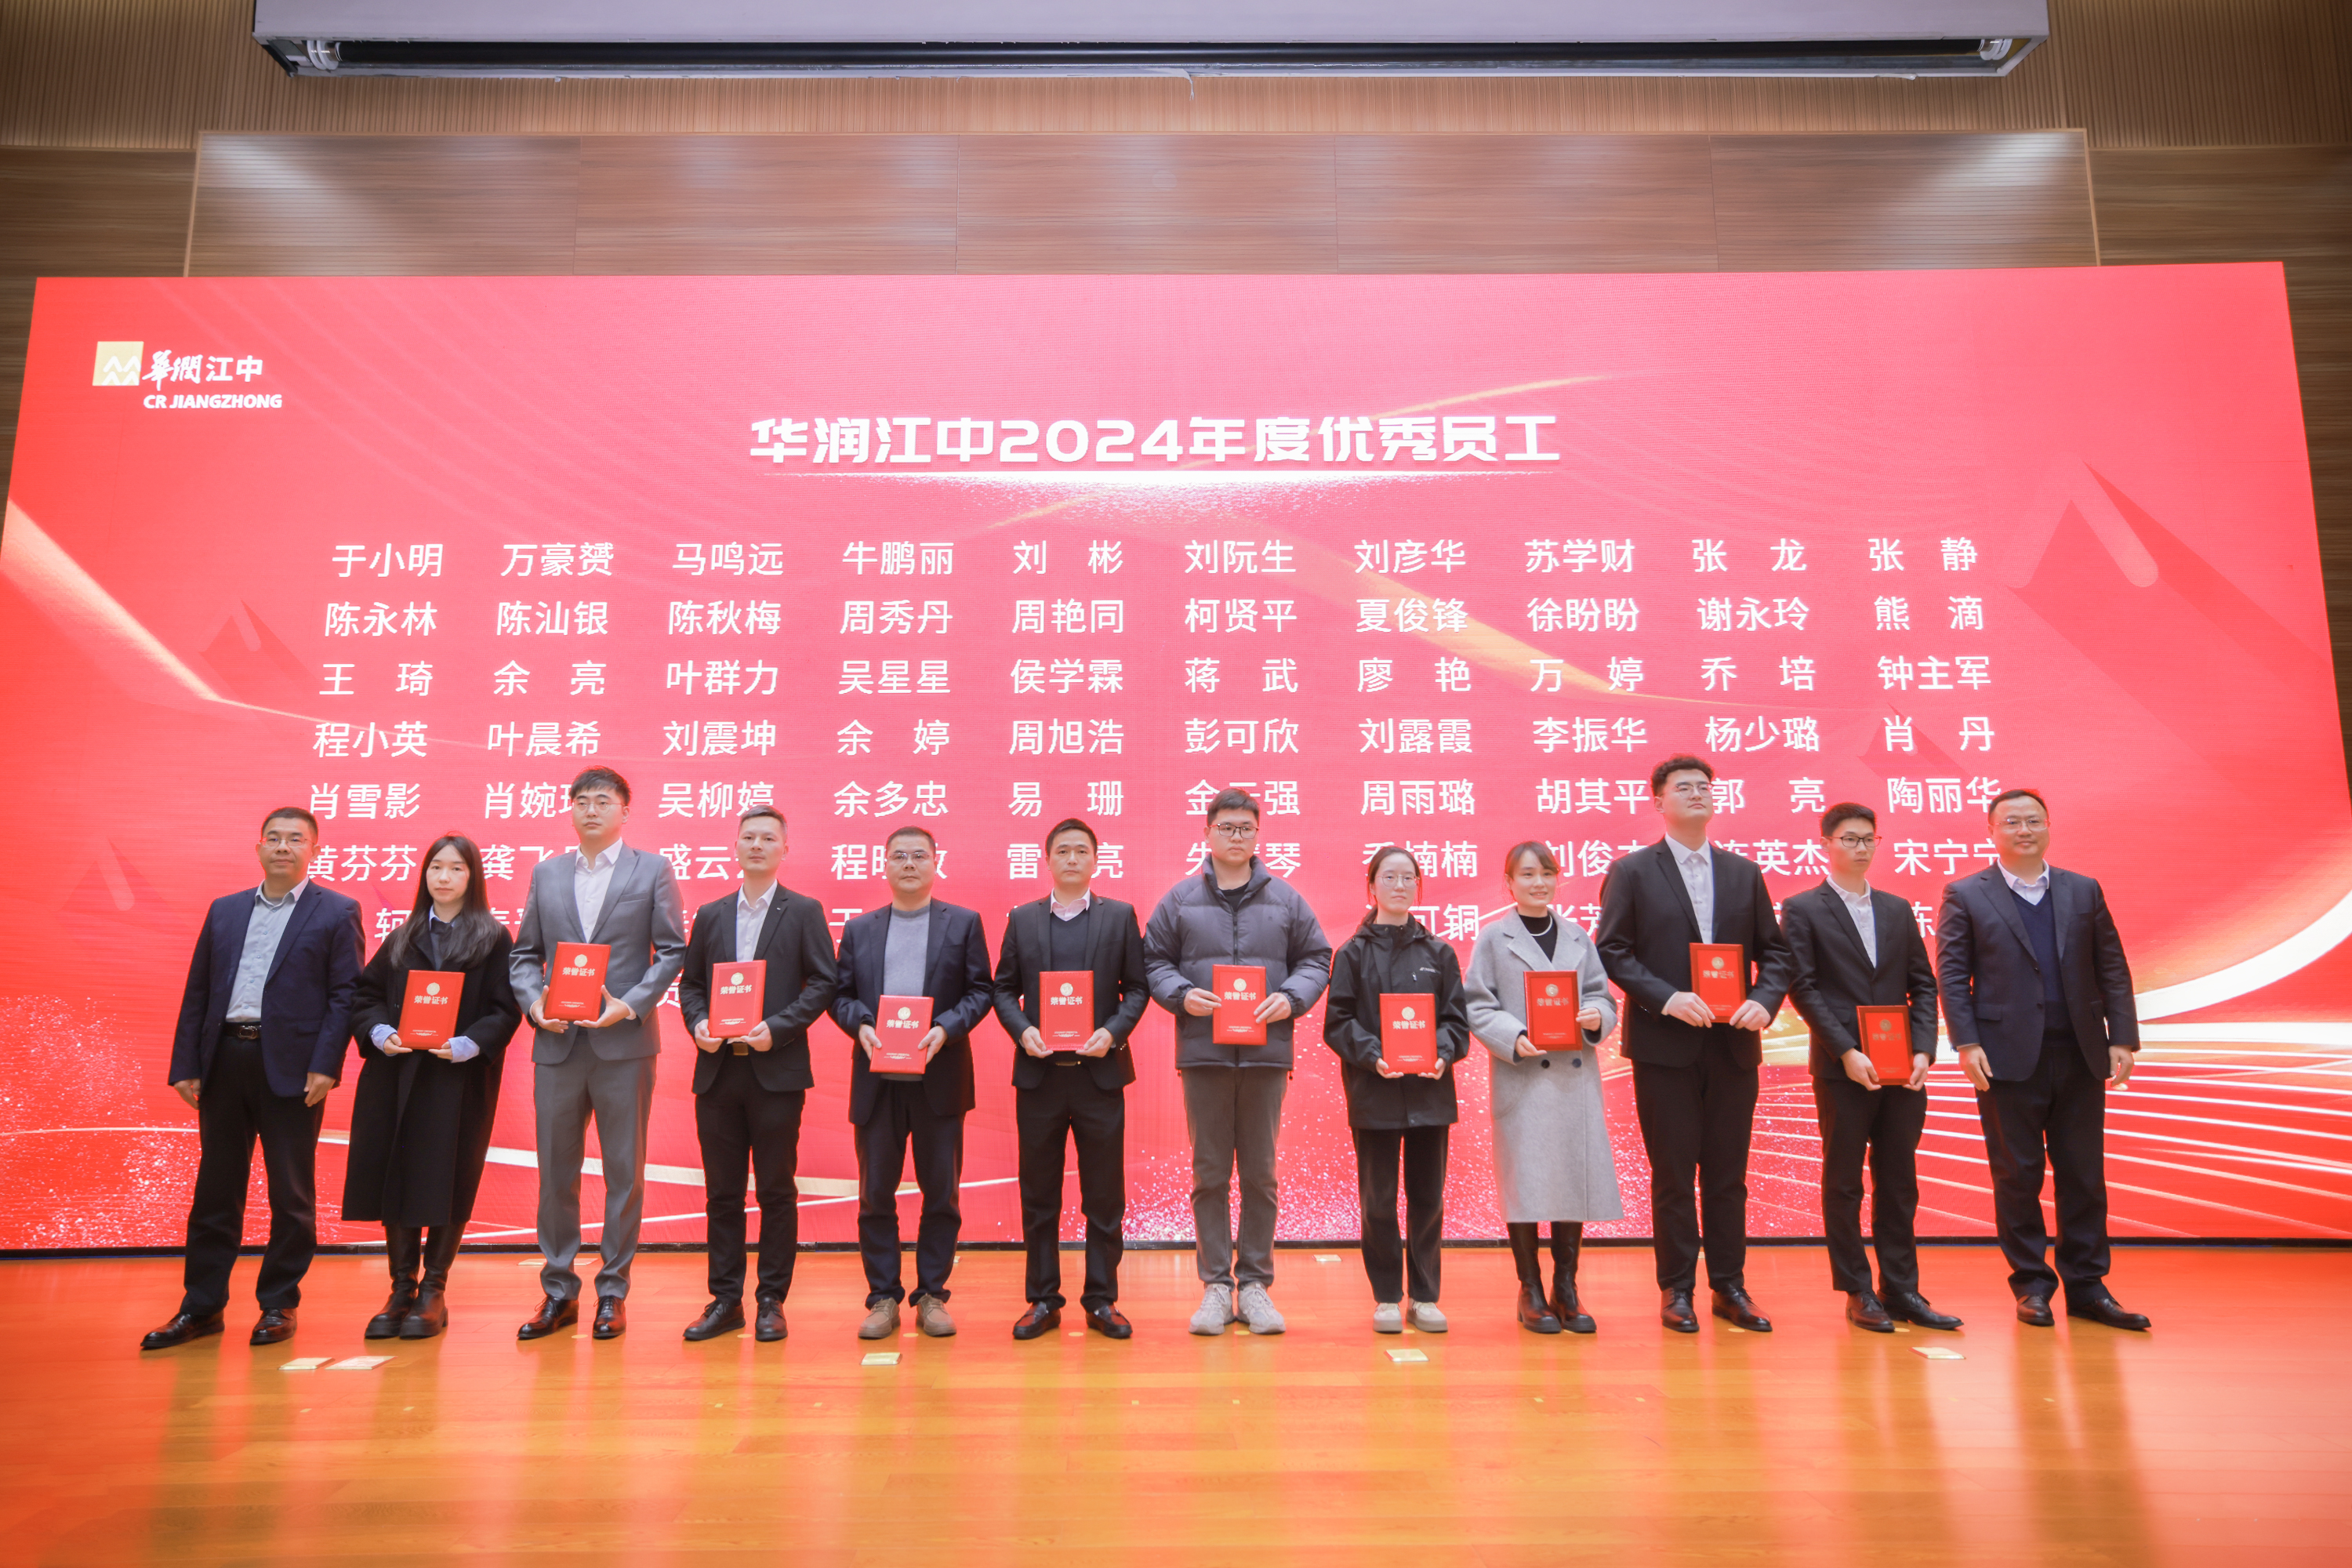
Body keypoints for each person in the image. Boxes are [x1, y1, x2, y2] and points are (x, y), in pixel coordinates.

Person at [142, 807, 362, 1351]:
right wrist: (186, 1064)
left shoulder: (337, 911)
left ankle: (279, 1303)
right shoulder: (225, 909)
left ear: (314, 849)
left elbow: (345, 995)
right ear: (258, 847)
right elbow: (198, 990)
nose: (283, 846)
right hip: (224, 1061)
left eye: (296, 839)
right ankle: (201, 1306)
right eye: (274, 838)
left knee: (291, 1194)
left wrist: (327, 1065)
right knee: (215, 1191)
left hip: (293, 1069)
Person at [1937, 788, 2149, 1330]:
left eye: (2033, 821)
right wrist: (1966, 1043)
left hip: (2080, 1053)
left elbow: (2112, 966)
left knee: (2084, 1175)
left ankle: (2088, 1287)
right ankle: (2031, 1285)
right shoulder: (1966, 894)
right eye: (2011, 822)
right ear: (1991, 832)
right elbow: (1953, 976)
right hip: (2004, 1059)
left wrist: (2122, 1037)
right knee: (2017, 1177)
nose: (2024, 830)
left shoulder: (2083, 889)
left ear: (2049, 826)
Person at [1596, 753, 1792, 1334]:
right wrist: (1666, 998)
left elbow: (1776, 953)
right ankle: (1677, 1288)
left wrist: (1765, 1000)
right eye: (1684, 787)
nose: (1698, 794)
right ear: (1659, 801)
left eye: (1705, 786)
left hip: (1734, 1045)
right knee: (1674, 1176)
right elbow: (1613, 950)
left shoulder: (1744, 873)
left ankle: (1730, 1286)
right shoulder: (1632, 871)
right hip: (1665, 1046)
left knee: (1729, 1176)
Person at [1144, 787, 1334, 1338]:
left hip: (1265, 1057)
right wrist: (1181, 994)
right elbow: (1153, 960)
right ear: (1207, 833)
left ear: (1257, 835)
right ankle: (1214, 1286)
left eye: (1245, 828)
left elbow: (1317, 958)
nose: (1235, 836)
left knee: (1260, 1174)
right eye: (1225, 827)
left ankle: (1253, 1285)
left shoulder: (1286, 899)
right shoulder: (1180, 900)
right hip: (1203, 1054)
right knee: (1209, 1173)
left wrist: (1292, 998)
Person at [509, 766, 686, 1342]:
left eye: (603, 801)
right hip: (558, 1043)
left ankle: (613, 1290)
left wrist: (629, 1006)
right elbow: (525, 954)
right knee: (555, 1174)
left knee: (623, 1173)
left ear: (624, 811)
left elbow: (671, 950)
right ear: (571, 809)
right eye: (581, 800)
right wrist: (535, 1004)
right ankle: (559, 1290)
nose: (591, 809)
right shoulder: (547, 873)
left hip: (624, 1044)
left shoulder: (652, 869)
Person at [1781, 804, 1960, 1334]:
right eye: (1849, 839)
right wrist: (1845, 1050)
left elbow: (1922, 984)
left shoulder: (1897, 908)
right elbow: (1802, 987)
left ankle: (1902, 1289)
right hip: (1844, 1068)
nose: (1860, 848)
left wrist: (1924, 1049)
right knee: (1844, 1183)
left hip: (1902, 1067)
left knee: (1899, 1180)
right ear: (1826, 845)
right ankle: (1857, 1289)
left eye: (1868, 839)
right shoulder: (1802, 908)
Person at [343, 834, 522, 1341]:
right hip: (396, 1077)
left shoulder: (494, 939)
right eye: (436, 867)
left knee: (449, 1177)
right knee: (396, 1174)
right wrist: (380, 1032)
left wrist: (468, 1043)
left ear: (473, 877)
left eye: (456, 868)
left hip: (456, 1078)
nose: (444, 877)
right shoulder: (402, 937)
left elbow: (505, 1008)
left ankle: (434, 1290)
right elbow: (366, 996)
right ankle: (401, 1288)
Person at [677, 804, 839, 1344]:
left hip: (776, 1071)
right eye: (748, 837)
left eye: (768, 838)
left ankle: (771, 1299)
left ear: (785, 849)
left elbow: (824, 983)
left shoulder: (804, 911)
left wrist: (779, 1028)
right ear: (735, 846)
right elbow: (691, 984)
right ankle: (725, 1300)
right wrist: (698, 1023)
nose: (757, 846)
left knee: (775, 1191)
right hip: (718, 1072)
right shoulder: (711, 914)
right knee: (722, 1194)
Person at [991, 817, 1152, 1341]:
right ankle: (1042, 1299)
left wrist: (1113, 1032)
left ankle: (1102, 1300)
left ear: (1096, 860)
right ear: (1048, 859)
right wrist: (1022, 1031)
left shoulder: (1120, 916)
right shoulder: (1023, 919)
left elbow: (1138, 988)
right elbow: (1002, 988)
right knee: (1039, 1196)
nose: (1072, 859)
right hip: (1039, 1077)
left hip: (1098, 1076)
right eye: (1063, 850)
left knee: (1104, 1196)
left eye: (1081, 850)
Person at [831, 825, 993, 1340]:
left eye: (919, 856)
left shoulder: (963, 923)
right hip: (877, 1080)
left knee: (940, 1194)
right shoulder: (860, 928)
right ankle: (883, 1297)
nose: (908, 864)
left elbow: (981, 991)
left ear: (935, 864)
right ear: (884, 865)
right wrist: (861, 1025)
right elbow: (839, 994)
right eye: (899, 856)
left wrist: (945, 1028)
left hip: (939, 1078)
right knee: (875, 1194)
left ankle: (932, 1295)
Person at [1465, 841, 1621, 1334]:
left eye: (1547, 873)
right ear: (1509, 882)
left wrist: (1598, 1016)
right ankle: (1529, 1288)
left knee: (1572, 1178)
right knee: (1527, 1183)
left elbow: (1603, 996)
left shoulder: (1577, 936)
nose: (1539, 883)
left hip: (1573, 1078)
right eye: (1528, 874)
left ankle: (1566, 1287)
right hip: (1524, 1075)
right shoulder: (1494, 938)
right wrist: (1512, 1035)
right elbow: (1476, 1004)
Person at [1322, 846, 1469, 1334]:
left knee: (1428, 1198)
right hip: (1375, 1092)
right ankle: (1387, 1295)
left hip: (1430, 1094)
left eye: (1408, 877)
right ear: (1372, 887)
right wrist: (1374, 1055)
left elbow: (1457, 1023)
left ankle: (1425, 1297)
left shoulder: (1439, 953)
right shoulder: (1351, 953)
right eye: (1389, 877)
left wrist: (1442, 1052)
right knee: (1379, 1201)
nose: (1399, 885)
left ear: (1418, 887)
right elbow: (1337, 1023)